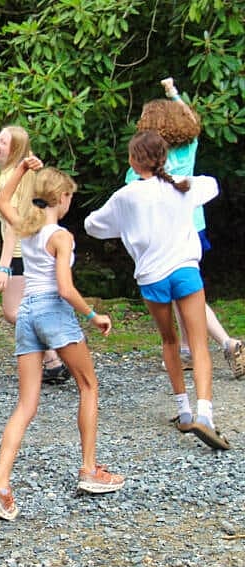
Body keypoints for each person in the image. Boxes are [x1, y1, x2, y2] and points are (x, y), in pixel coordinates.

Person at [0, 157, 125, 522]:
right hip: (52, 311)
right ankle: (89, 470)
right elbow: (64, 287)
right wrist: (93, 315)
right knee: (88, 386)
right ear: (60, 197)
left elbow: (2, 201)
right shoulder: (61, 236)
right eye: (69, 196)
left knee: (26, 404)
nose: (70, 201)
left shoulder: (26, 229)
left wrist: (20, 172)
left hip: (26, 313)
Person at [86, 131, 229, 449]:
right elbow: (213, 185)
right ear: (163, 158)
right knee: (199, 343)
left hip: (151, 276)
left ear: (132, 161)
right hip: (185, 269)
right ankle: (205, 414)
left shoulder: (126, 196)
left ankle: (184, 410)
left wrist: (124, 227)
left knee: (169, 340)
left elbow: (92, 225)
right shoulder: (183, 185)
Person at [124, 77, 245, 379]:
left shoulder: (142, 162)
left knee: (185, 294)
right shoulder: (188, 148)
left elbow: (131, 202)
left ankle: (227, 343)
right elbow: (190, 118)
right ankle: (190, 352)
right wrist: (173, 93)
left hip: (163, 236)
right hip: (194, 228)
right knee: (185, 290)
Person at [0, 126, 68, 385]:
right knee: (23, 309)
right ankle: (54, 360)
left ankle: (58, 352)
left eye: (3, 142)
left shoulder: (11, 175)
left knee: (15, 311)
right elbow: (5, 147)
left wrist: (3, 266)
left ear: (16, 150)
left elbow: (12, 226)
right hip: (28, 251)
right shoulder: (18, 172)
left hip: (20, 253)